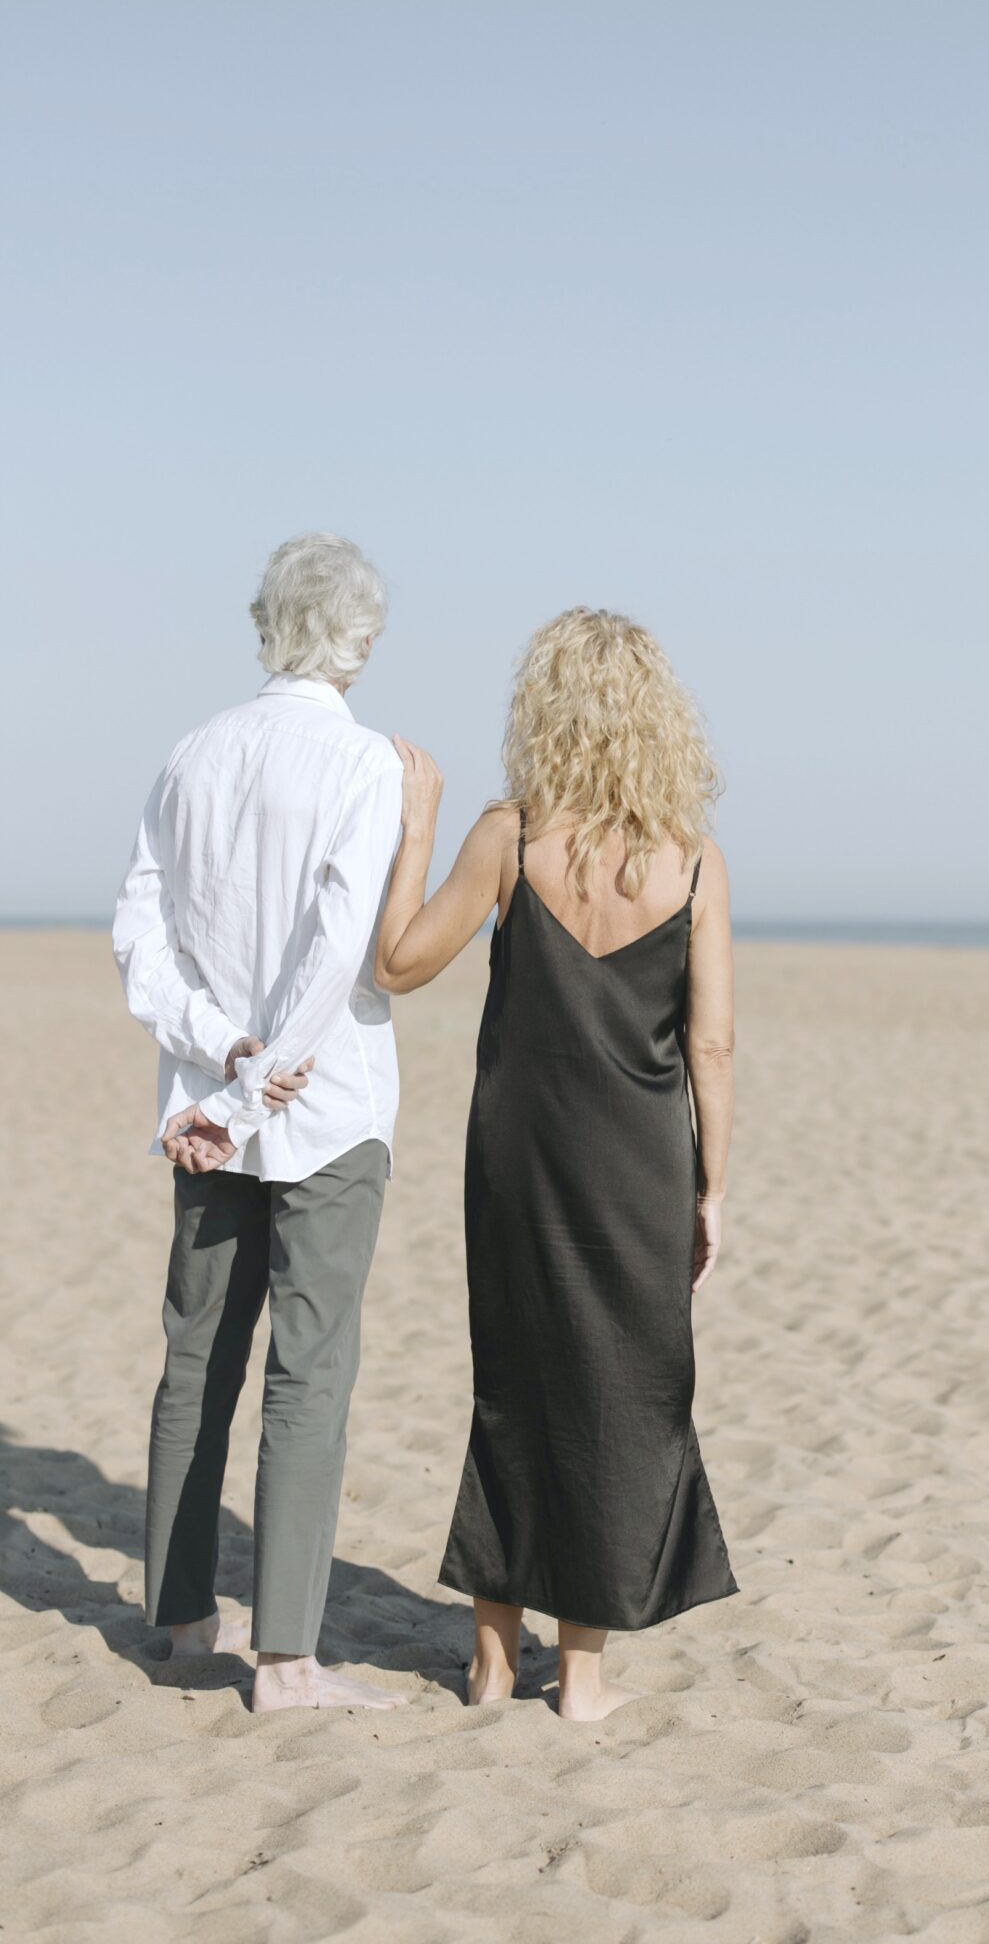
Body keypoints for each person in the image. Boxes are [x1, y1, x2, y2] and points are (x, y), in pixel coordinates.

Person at [375, 607, 738, 1721]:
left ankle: (490, 1659)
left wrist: (416, 829)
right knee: (624, 1397)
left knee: (515, 1387)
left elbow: (397, 963)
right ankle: (581, 1676)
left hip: (517, 1160)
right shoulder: (692, 857)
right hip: (636, 1164)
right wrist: (710, 1185)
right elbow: (711, 1044)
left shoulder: (508, 832)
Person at [112, 532, 406, 1713]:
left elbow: (142, 930)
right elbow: (339, 950)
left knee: (195, 1360)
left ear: (265, 624)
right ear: (362, 639)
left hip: (210, 1104)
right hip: (316, 1108)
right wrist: (255, 1075)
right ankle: (285, 1655)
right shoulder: (364, 760)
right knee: (308, 1370)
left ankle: (181, 1616)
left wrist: (219, 1055)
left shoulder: (193, 752)